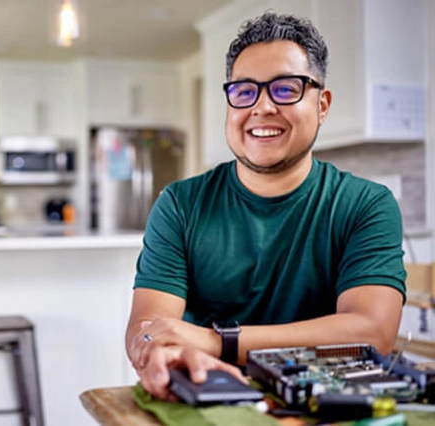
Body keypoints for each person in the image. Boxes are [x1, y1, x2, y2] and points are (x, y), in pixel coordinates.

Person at [125, 11, 407, 400]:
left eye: (286, 89)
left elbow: (372, 332)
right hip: (208, 402)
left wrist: (216, 340)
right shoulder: (180, 205)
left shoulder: (366, 205)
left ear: (322, 105)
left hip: (325, 406)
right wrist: (158, 350)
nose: (262, 107)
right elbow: (150, 328)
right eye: (244, 91)